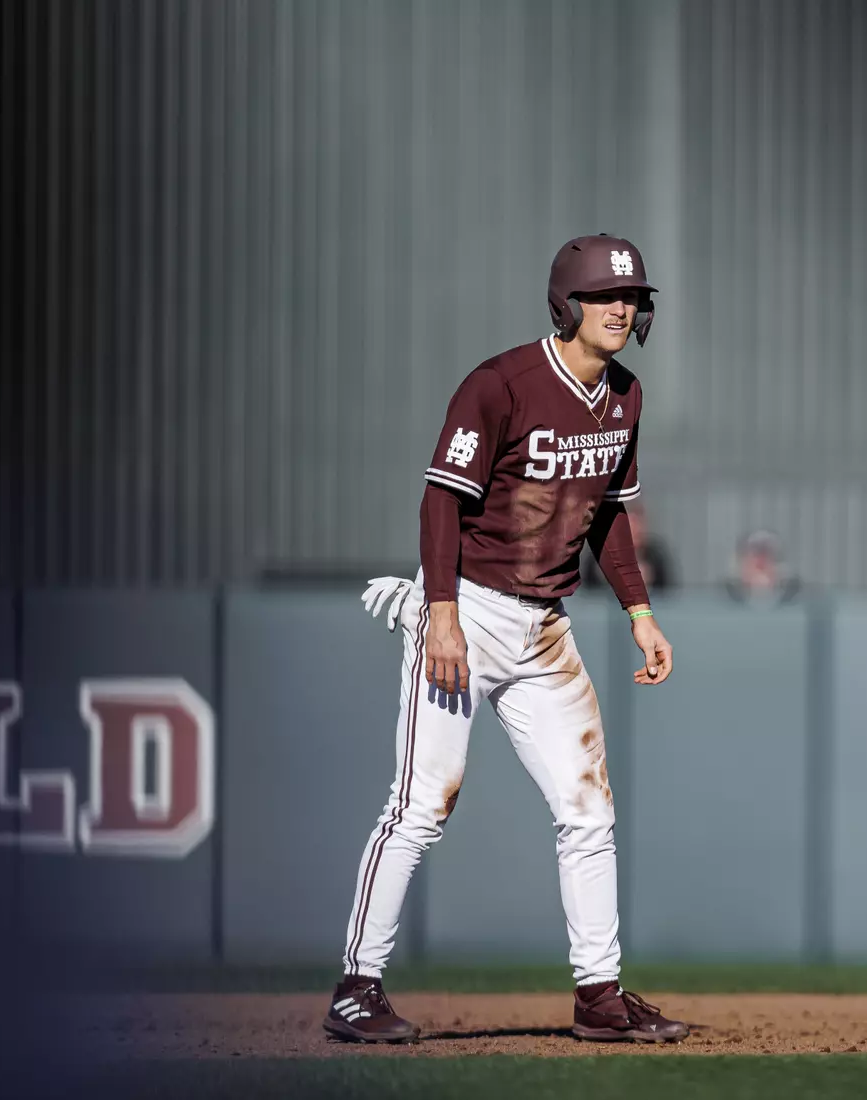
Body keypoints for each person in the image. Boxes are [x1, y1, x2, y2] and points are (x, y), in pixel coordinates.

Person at [325, 235, 688, 1045]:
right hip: (470, 611)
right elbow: (439, 501)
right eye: (603, 296)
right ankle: (357, 986)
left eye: (630, 296)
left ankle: (599, 995)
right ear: (567, 304)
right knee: (422, 803)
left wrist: (639, 613)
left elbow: (611, 517)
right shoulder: (501, 384)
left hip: (545, 628)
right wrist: (441, 612)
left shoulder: (625, 394)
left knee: (587, 808)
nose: (621, 308)